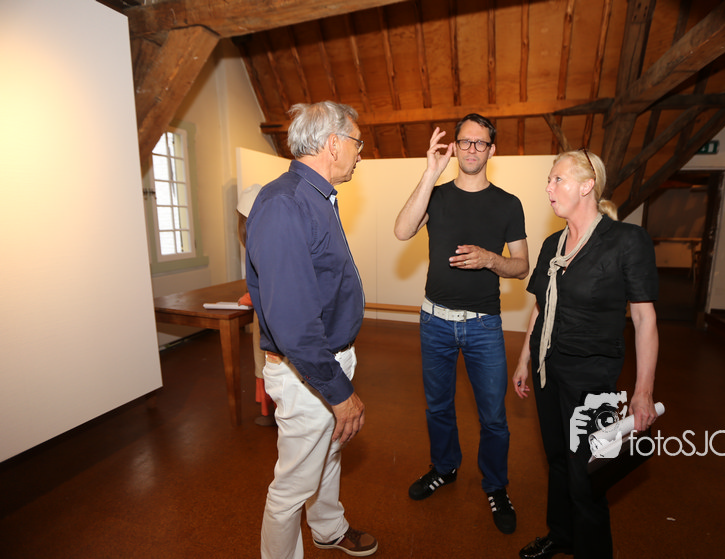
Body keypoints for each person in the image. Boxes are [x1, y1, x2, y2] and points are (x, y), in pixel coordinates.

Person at [511, 149, 659, 559]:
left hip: (591, 380)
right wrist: (524, 360)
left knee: (588, 475)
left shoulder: (626, 241)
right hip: (547, 369)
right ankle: (562, 535)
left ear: (587, 185)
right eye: (549, 180)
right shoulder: (552, 245)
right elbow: (541, 307)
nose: (548, 188)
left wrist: (643, 391)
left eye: (557, 179)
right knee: (558, 460)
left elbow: (644, 319)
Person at [245, 101, 377, 559]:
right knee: (293, 485)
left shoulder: (315, 195)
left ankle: (327, 527)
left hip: (326, 358)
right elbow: (294, 323)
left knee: (330, 453)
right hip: (306, 371)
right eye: (357, 143)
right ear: (333, 144)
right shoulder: (284, 204)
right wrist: (338, 391)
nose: (360, 153)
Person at [394, 113, 529, 534]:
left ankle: (496, 485)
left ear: (492, 150)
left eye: (480, 143)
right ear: (454, 147)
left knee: (493, 416)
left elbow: (522, 266)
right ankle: (444, 467)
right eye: (465, 142)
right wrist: (429, 173)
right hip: (434, 320)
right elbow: (401, 231)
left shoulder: (508, 204)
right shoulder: (435, 195)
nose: (472, 149)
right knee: (438, 406)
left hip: (483, 325)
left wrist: (491, 259)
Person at [235, 183, 275, 427]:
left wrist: (248, 298)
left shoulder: (258, 245)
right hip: (272, 314)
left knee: (268, 362)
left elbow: (266, 283)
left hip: (268, 317)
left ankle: (272, 411)